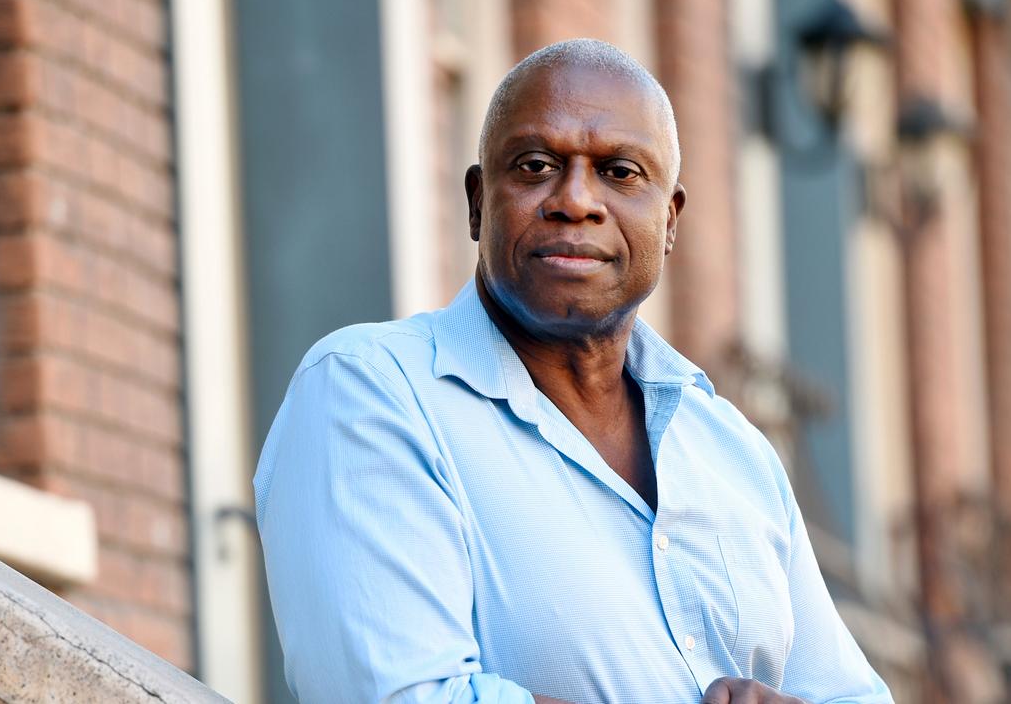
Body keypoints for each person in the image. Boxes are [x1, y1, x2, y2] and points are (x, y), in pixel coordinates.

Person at [254, 38, 893, 704]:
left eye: (620, 172)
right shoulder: (371, 392)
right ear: (477, 201)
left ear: (670, 221)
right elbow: (400, 697)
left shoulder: (734, 452)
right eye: (535, 166)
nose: (577, 200)